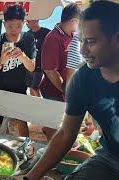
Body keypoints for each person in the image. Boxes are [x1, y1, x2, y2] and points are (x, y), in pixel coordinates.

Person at [26, 1, 119, 179]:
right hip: (110, 158)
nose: (83, 50)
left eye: (90, 41)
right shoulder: (83, 78)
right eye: (81, 40)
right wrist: (30, 177)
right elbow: (66, 134)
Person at [0, 5, 36, 135]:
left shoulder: (28, 39)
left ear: (24, 23)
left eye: (18, 26)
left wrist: (23, 55)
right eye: (10, 26)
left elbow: (32, 67)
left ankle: (25, 148)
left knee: (22, 122)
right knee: (0, 126)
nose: (14, 30)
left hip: (19, 89)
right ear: (4, 24)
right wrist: (1, 60)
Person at [40, 3, 81, 141]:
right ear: (74, 21)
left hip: (66, 88)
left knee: (61, 123)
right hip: (53, 90)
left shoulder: (72, 35)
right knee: (54, 125)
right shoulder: (53, 38)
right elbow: (50, 70)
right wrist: (64, 90)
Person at [25, 20, 50, 97]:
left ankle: (40, 105)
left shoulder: (47, 33)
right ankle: (34, 105)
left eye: (28, 21)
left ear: (36, 20)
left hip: (40, 66)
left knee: (35, 88)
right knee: (31, 88)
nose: (26, 23)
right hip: (29, 66)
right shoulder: (27, 34)